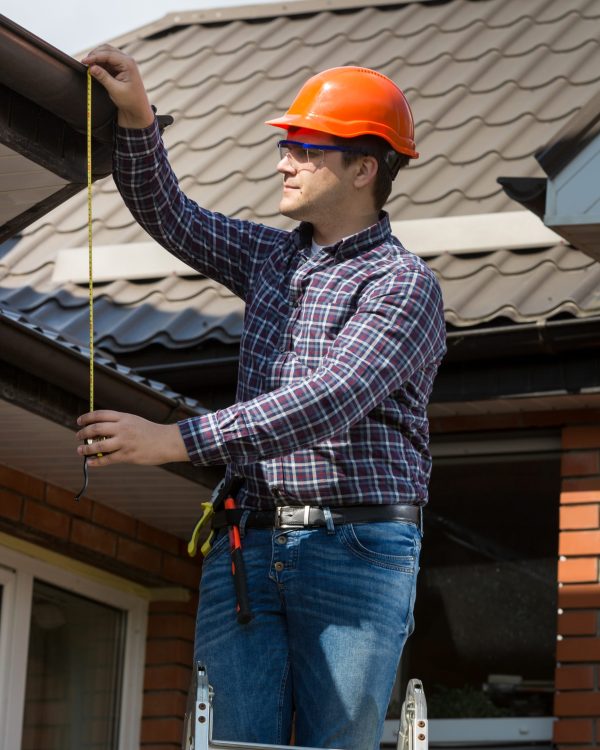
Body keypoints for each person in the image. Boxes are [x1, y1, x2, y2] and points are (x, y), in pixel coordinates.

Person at [77, 47, 447, 750]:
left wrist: (175, 440)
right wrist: (137, 118)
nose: (284, 162)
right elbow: (172, 216)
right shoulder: (273, 258)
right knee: (234, 745)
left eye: (306, 150)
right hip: (249, 541)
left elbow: (328, 399)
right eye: (287, 146)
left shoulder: (402, 287)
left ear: (364, 168)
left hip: (355, 545)